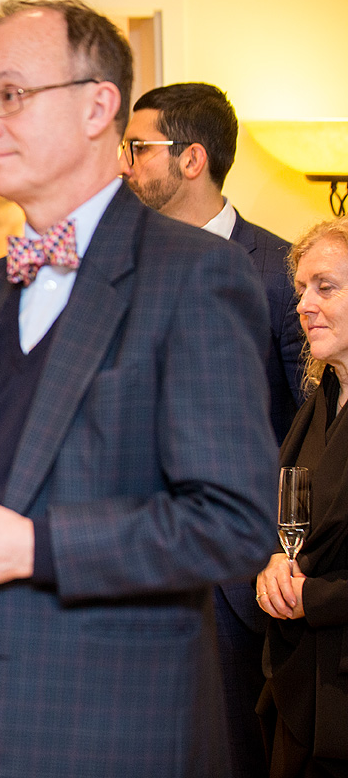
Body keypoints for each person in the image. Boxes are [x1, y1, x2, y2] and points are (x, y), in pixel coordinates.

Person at [0, 0, 277, 778]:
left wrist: (29, 546)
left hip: (104, 730)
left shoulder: (197, 277)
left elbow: (231, 523)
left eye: (11, 96)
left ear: (99, 106)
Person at [122, 81, 302, 778]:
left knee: (235, 752)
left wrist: (279, 552)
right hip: (138, 563)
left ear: (192, 159)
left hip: (237, 575)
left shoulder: (281, 274)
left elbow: (304, 428)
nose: (124, 163)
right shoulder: (121, 268)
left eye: (139, 148)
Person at [256, 217, 348, 778]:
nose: (304, 306)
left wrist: (313, 597)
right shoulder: (319, 400)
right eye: (300, 290)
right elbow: (293, 523)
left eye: (325, 287)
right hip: (300, 684)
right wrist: (274, 564)